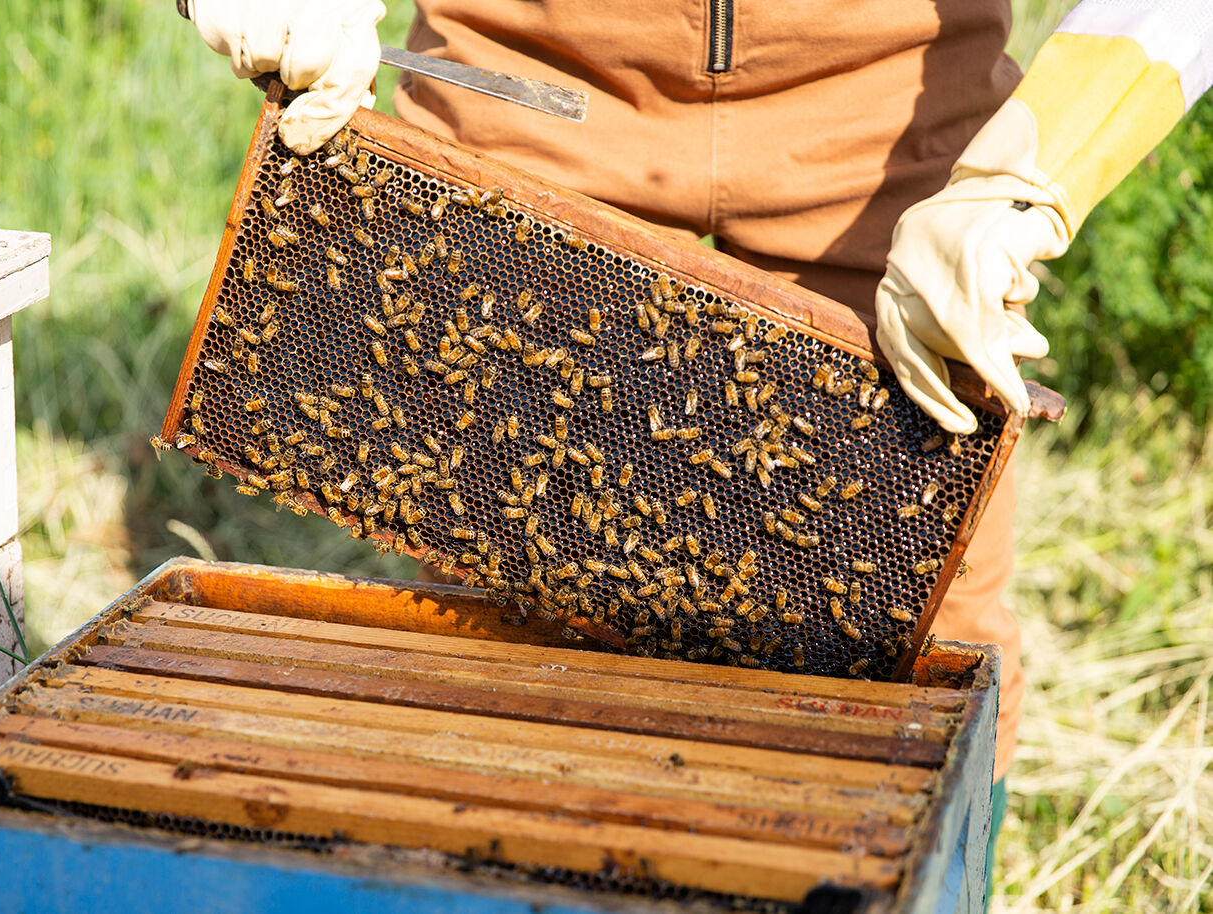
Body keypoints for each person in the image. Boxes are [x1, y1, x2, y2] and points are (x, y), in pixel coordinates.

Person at [186, 0, 1213, 899]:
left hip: (898, 115)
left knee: (917, 666)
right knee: (508, 637)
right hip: (525, 78)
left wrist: (1034, 166)